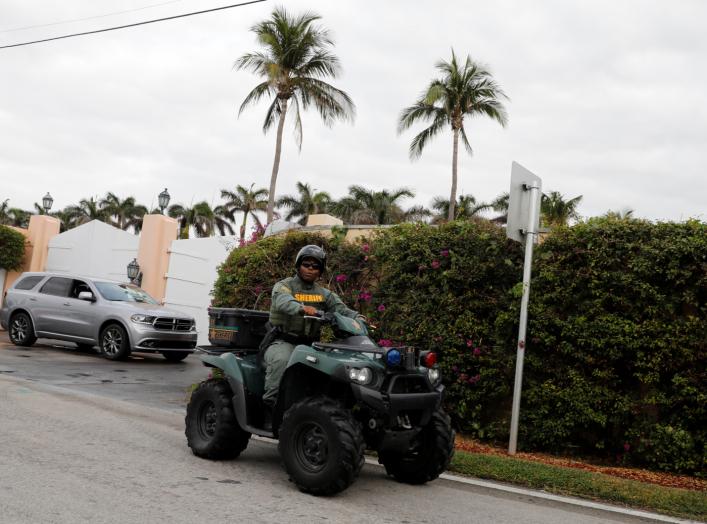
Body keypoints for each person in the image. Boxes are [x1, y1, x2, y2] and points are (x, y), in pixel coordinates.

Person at [262, 244, 362, 412]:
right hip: (283, 342)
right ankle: (271, 404)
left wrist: (357, 318)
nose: (310, 269)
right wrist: (301, 308)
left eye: (315, 266)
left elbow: (341, 309)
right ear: (298, 265)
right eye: (306, 264)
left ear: (320, 271)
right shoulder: (284, 286)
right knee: (282, 360)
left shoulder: (324, 293)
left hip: (312, 345)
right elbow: (283, 301)